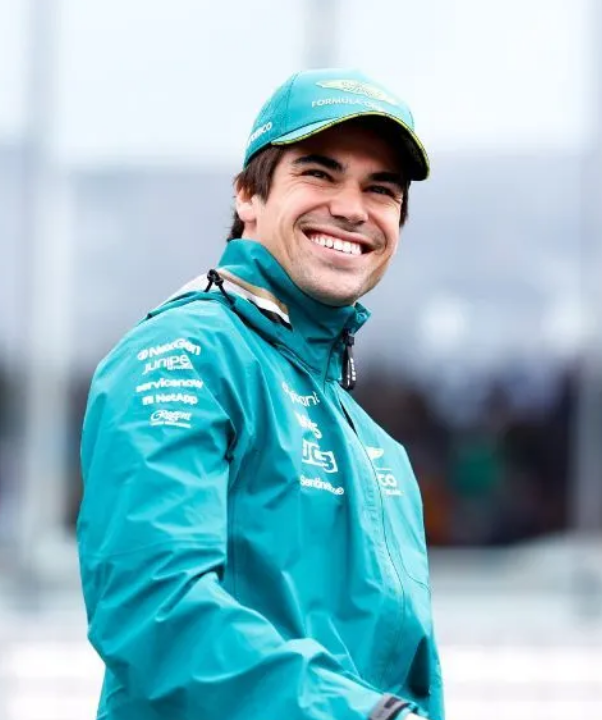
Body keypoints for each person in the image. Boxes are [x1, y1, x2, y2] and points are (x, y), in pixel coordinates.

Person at [75, 68, 443, 720]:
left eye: (380, 189)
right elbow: (154, 613)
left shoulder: (380, 451)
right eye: (320, 174)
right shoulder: (185, 354)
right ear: (248, 194)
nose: (352, 208)